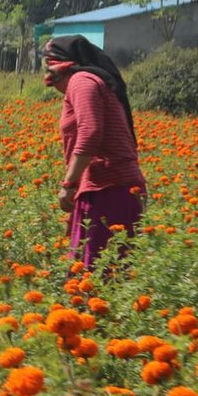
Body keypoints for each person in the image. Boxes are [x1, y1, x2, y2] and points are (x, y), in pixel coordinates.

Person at [41, 34, 145, 272]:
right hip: (104, 187)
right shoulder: (88, 82)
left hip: (110, 188)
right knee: (94, 271)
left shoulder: (82, 82)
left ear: (59, 67)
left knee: (98, 275)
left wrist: (68, 184)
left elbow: (90, 132)